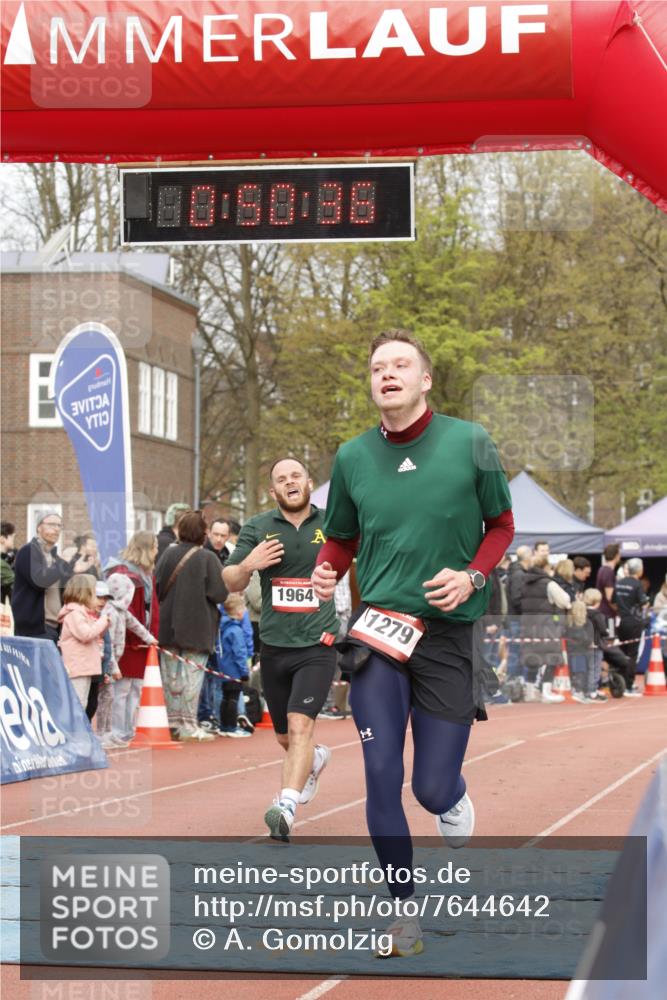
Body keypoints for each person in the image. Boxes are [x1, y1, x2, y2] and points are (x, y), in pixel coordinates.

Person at [311, 330, 514, 957]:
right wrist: (326, 564)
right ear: (371, 384)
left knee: (428, 787)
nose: (388, 374)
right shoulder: (351, 457)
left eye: (401, 365)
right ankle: (403, 914)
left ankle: (451, 795)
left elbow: (502, 526)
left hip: (447, 633)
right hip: (379, 631)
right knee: (378, 773)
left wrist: (473, 575)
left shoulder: (470, 442)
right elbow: (342, 536)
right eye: (378, 367)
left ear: (425, 380)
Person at [223, 458, 339, 842]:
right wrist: (249, 564)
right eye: (281, 479)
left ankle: (285, 806)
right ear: (273, 491)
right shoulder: (258, 527)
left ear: (308, 482)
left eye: (295, 476)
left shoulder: (332, 522)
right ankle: (315, 759)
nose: (290, 482)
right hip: (274, 645)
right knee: (286, 739)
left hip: (318, 643)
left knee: (301, 725)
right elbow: (230, 578)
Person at [155, 510, 228, 742]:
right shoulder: (207, 558)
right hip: (197, 626)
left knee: (170, 677)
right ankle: (188, 724)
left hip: (167, 625)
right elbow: (219, 593)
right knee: (191, 678)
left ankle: (171, 721)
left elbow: (156, 586)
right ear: (203, 533)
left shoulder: (167, 554)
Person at [105, 531, 160, 746]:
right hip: (127, 640)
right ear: (146, 548)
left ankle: (128, 730)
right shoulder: (123, 574)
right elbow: (121, 611)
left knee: (136, 687)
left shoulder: (147, 574)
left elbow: (152, 606)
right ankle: (116, 731)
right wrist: (135, 636)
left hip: (143, 639)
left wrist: (151, 635)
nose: (157, 551)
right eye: (154, 547)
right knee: (122, 689)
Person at [12, 511, 89, 640]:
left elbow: (64, 588)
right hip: (35, 628)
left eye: (59, 525)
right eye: (52, 524)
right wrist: (64, 563)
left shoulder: (55, 558)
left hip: (54, 627)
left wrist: (75, 572)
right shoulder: (28, 551)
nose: (57, 529)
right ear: (39, 527)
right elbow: (40, 581)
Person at [520, 553, 572, 703]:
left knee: (532, 658)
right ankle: (546, 692)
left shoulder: (524, 582)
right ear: (545, 567)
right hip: (546, 626)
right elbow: (565, 600)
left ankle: (530, 692)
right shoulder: (548, 583)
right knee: (552, 658)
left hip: (528, 625)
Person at [57, 574, 109, 708]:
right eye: (93, 593)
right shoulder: (75, 614)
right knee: (77, 703)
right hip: (77, 667)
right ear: (84, 593)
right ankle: (74, 729)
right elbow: (86, 634)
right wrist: (102, 621)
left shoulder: (82, 613)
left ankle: (77, 727)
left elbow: (95, 635)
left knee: (82, 702)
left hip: (84, 667)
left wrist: (104, 624)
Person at [216, 593, 252, 738]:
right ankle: (231, 726)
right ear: (238, 612)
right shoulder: (236, 631)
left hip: (223, 668)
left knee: (225, 698)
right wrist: (244, 671)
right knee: (233, 698)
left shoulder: (222, 628)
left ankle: (224, 725)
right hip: (235, 670)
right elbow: (240, 653)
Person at [613, 557, 649, 696]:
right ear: (640, 570)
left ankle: (620, 681)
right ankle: (628, 685)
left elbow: (613, 602)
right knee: (632, 654)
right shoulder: (637, 584)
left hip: (621, 621)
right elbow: (644, 603)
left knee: (622, 652)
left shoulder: (619, 583)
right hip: (634, 622)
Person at [506, 545, 532, 678]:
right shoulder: (519, 574)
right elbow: (517, 598)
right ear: (528, 557)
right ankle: (512, 683)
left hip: (515, 618)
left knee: (516, 651)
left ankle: (514, 683)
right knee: (515, 652)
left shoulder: (516, 572)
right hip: (517, 618)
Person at [596, 543, 621, 627]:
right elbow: (610, 597)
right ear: (616, 555)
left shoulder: (602, 569)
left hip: (604, 612)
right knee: (610, 638)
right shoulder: (608, 572)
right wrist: (618, 610)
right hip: (608, 614)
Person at [1, 521, 16, 603]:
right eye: (12, 537)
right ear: (2, 539)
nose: (13, 540)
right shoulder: (2, 564)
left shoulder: (6, 559)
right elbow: (15, 586)